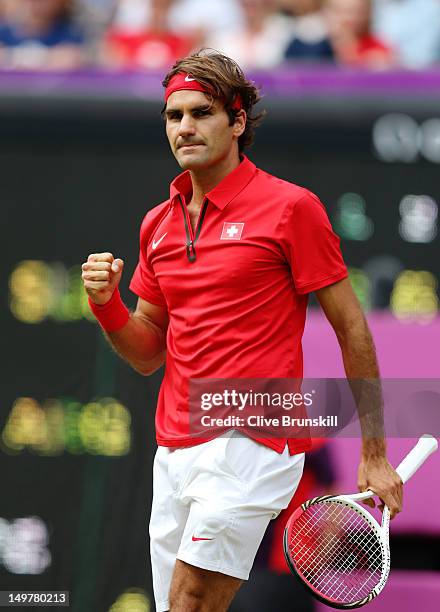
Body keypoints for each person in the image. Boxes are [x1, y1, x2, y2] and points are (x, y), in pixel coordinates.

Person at [82, 49, 403, 612]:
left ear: (237, 122)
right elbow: (146, 352)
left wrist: (374, 452)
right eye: (173, 115)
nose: (185, 127)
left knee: (191, 600)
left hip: (254, 438)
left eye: (201, 112)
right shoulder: (156, 224)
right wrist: (107, 305)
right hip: (176, 446)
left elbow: (352, 328)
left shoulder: (290, 208)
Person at [0, 0, 86, 70]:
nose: (36, 4)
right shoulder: (4, 33)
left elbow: (72, 58)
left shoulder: (71, 33)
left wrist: (10, 57)